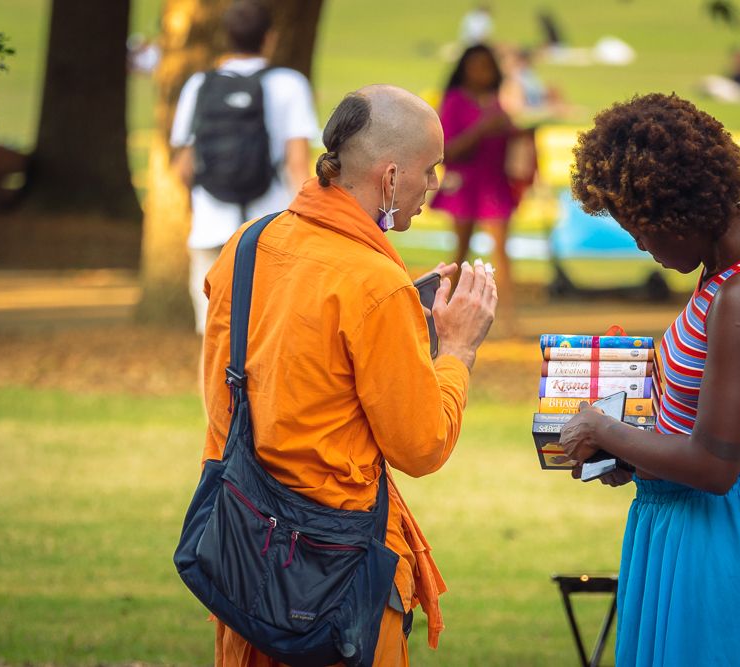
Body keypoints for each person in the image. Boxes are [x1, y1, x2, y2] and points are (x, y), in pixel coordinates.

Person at [200, 84, 498, 666]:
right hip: (330, 575)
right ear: (389, 179)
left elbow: (291, 364)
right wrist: (457, 349)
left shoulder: (248, 243)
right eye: (430, 169)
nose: (435, 186)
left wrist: (403, 314)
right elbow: (421, 446)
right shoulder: (372, 285)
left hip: (241, 551)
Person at [562, 92, 740, 665]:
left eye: (643, 228)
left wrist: (603, 429)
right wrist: (629, 456)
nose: (642, 245)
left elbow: (714, 465)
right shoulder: (737, 257)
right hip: (693, 521)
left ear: (680, 207)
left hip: (718, 530)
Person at [169, 0, 318, 335]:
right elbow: (297, 165)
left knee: (214, 339)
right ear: (270, 37)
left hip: (210, 227)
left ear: (228, 36)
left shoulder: (200, 85)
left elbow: (183, 166)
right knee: (265, 337)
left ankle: (211, 391)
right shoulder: (289, 84)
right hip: (269, 228)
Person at [431, 43, 519, 331]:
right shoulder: (456, 101)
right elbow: (448, 150)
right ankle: (439, 315)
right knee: (460, 251)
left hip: (493, 185)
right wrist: (482, 130)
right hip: (466, 186)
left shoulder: (495, 101)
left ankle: (509, 319)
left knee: (502, 252)